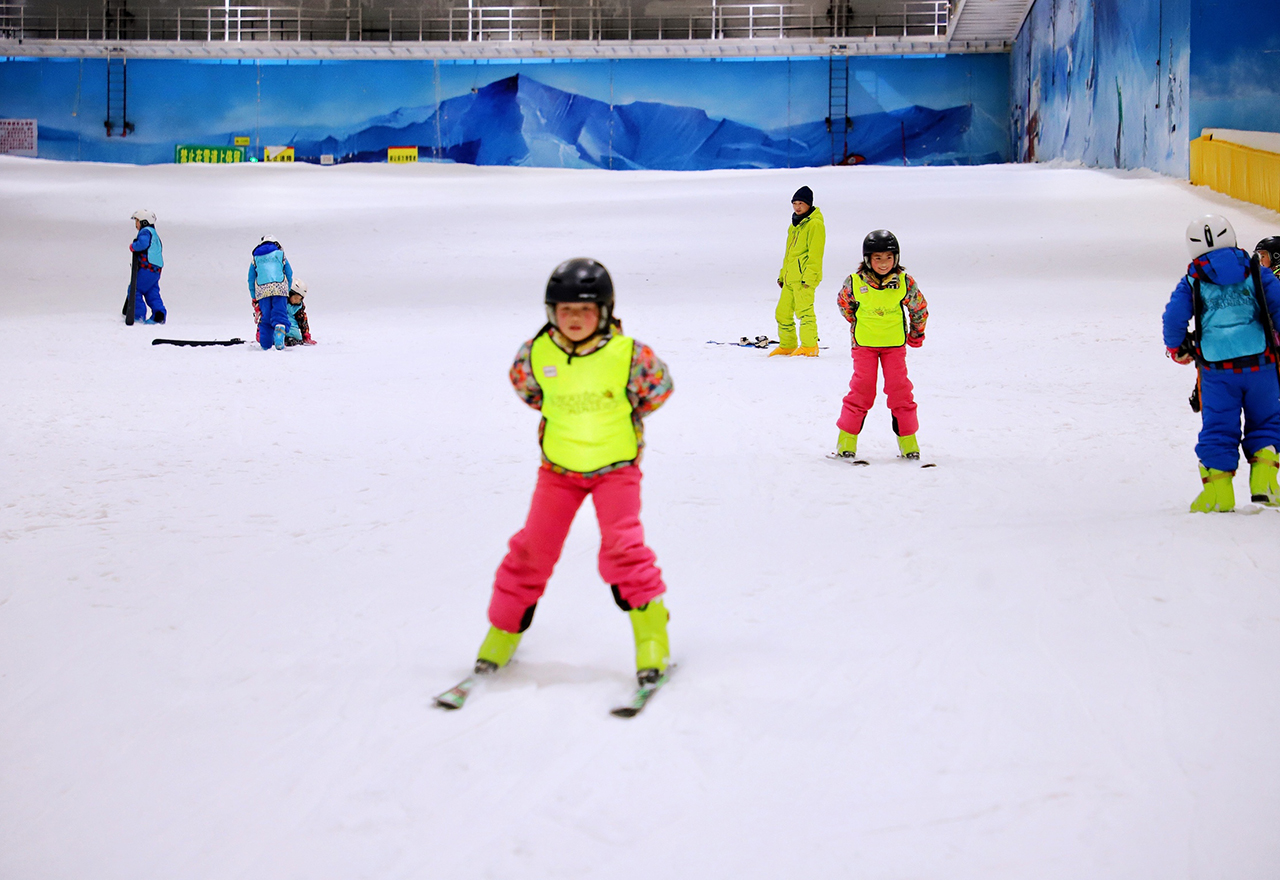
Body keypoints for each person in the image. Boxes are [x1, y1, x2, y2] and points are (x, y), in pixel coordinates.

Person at [471, 258, 674, 687]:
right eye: (565, 311)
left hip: (616, 470)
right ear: (551, 312)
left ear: (603, 310)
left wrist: (619, 422)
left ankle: (651, 633)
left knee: (623, 548)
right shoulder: (535, 353)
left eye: (584, 310)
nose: (574, 319)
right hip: (558, 471)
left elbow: (657, 389)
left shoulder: (630, 354)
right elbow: (527, 389)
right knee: (531, 550)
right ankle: (503, 630)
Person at [1163, 215, 1280, 511]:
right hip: (1261, 364)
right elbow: (1278, 303)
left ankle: (1218, 493)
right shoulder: (1255, 269)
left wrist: (1177, 347)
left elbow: (1174, 317)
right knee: (1267, 420)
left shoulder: (1193, 278)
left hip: (1216, 370)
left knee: (1218, 425)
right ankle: (1264, 481)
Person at [832, 229, 928, 460]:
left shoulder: (905, 282)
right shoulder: (855, 282)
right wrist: (857, 324)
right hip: (864, 345)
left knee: (900, 391)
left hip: (894, 346)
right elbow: (845, 304)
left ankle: (908, 442)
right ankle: (846, 440)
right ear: (867, 260)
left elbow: (919, 308)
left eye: (888, 258)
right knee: (862, 391)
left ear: (896, 258)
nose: (883, 263)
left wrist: (916, 333)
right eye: (877, 258)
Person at [772, 186, 825, 357]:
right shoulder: (794, 225)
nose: (797, 207)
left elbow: (816, 254)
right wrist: (783, 274)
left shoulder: (815, 224)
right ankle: (787, 344)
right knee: (782, 313)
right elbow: (789, 254)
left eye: (801, 203)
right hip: (790, 278)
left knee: (804, 312)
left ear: (809, 204)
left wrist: (809, 277)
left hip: (804, 278)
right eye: (794, 203)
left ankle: (810, 346)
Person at [247, 235, 293, 351]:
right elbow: (289, 272)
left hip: (262, 291)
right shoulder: (280, 255)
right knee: (280, 314)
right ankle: (279, 331)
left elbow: (251, 279)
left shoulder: (255, 259)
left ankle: (266, 343)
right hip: (280, 288)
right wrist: (286, 289)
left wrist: (254, 296)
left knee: (266, 316)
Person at [125, 209, 165, 324]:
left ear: (144, 222)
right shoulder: (154, 234)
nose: (136, 224)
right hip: (156, 270)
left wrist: (133, 246)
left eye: (137, 221)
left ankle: (138, 315)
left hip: (147, 268)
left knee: (135, 289)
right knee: (152, 293)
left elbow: (142, 244)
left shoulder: (145, 232)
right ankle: (159, 315)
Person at [284, 279, 316, 346]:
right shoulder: (281, 303)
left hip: (292, 329)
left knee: (296, 336)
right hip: (280, 326)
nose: (296, 301)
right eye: (295, 298)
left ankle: (292, 340)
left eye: (299, 299)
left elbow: (302, 320)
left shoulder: (298, 308)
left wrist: (305, 333)